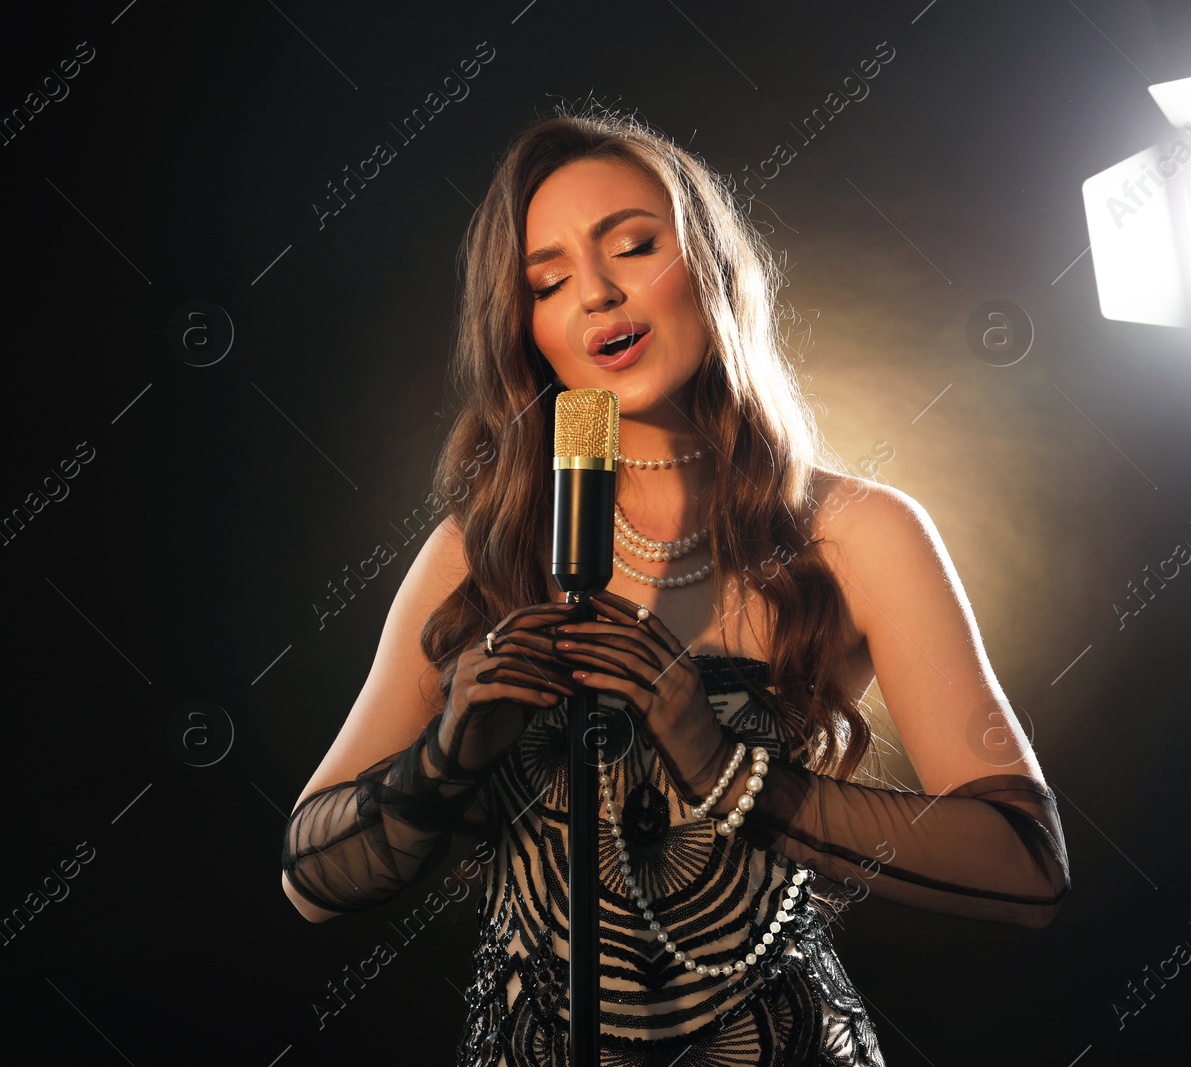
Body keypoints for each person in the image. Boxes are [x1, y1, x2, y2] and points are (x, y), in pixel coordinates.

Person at [280, 106, 1070, 1066]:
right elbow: (310, 880)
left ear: (712, 266)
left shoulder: (860, 533)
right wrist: (444, 760)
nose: (598, 295)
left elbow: (1026, 865)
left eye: (634, 246)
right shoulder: (480, 550)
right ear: (528, 330)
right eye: (550, 280)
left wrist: (729, 770)